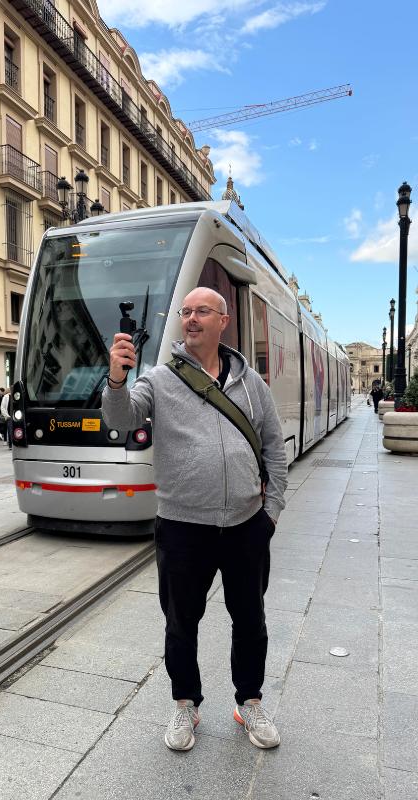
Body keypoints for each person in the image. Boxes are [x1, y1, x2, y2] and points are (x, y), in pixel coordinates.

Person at [102, 287, 287, 753]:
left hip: (247, 525)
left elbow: (274, 449)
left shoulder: (252, 384)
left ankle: (249, 701)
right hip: (183, 527)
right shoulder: (160, 379)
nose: (191, 318)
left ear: (223, 321)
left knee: (250, 620)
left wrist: (271, 513)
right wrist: (117, 380)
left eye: (202, 311)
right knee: (181, 622)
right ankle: (185, 704)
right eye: (185, 312)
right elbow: (121, 421)